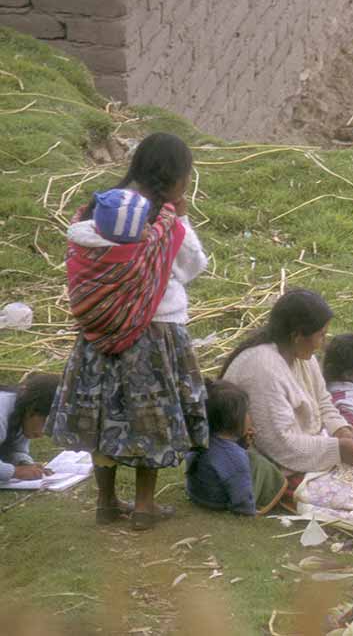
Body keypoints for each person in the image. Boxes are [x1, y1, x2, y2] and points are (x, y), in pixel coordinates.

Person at [46, 132, 209, 531]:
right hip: (154, 331)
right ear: (174, 176)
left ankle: (105, 502)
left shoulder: (97, 209)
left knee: (105, 416)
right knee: (149, 418)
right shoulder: (164, 220)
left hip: (99, 329)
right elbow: (191, 268)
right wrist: (182, 215)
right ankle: (143, 506)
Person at [221, 290, 353, 504]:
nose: (323, 342)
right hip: (272, 462)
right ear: (297, 335)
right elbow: (278, 444)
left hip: (307, 445)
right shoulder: (263, 368)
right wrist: (336, 449)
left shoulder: (302, 355)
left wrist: (342, 430)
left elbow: (322, 401)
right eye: (321, 335)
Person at [185, 379, 287, 516]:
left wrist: (241, 444)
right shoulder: (235, 456)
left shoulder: (202, 439)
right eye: (246, 413)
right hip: (217, 503)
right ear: (234, 419)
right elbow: (240, 490)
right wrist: (247, 511)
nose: (249, 417)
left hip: (198, 496)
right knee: (262, 464)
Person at [1, 374, 61, 484]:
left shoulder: (22, 415)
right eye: (45, 423)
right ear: (32, 407)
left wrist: (24, 463)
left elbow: (12, 451)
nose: (43, 433)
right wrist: (15, 471)